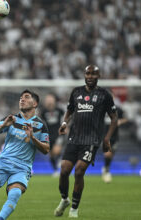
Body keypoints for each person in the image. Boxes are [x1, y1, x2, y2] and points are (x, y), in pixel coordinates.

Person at [0, 90, 50, 220]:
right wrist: (4, 126)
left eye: (26, 97)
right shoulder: (12, 118)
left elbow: (46, 149)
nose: (21, 100)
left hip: (22, 167)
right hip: (3, 162)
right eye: (20, 98)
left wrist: (33, 139)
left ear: (35, 103)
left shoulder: (41, 125)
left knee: (15, 194)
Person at [54, 65, 118, 218]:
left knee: (79, 170)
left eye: (93, 74)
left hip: (91, 140)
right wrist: (64, 123)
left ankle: (74, 210)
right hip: (74, 138)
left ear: (98, 76)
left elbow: (114, 118)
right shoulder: (76, 92)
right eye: (88, 73)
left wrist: (107, 138)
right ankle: (64, 200)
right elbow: (69, 110)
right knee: (63, 170)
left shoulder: (104, 95)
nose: (90, 76)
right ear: (84, 75)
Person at [40, 93, 65, 177]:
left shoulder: (59, 110)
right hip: (48, 135)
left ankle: (60, 161)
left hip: (58, 133)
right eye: (48, 99)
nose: (49, 101)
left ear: (54, 100)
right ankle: (55, 170)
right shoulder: (43, 112)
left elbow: (65, 119)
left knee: (56, 150)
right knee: (51, 154)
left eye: (51, 99)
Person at [101, 105, 127, 183]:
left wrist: (120, 121)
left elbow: (125, 119)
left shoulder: (118, 109)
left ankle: (106, 167)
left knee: (111, 155)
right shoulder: (101, 107)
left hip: (114, 136)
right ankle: (107, 171)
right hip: (105, 135)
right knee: (107, 154)